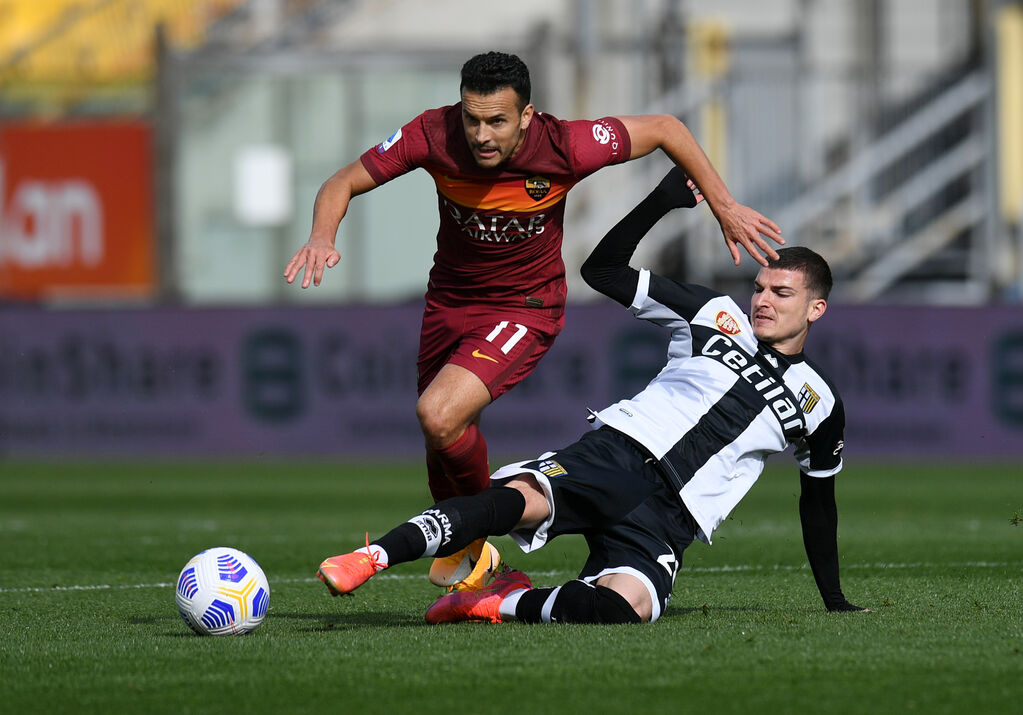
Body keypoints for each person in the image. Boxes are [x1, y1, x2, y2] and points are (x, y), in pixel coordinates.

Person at [285, 51, 783, 591]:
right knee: (443, 434)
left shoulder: (567, 145)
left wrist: (724, 205)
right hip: (449, 302)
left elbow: (665, 128)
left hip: (525, 306)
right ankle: (473, 550)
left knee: (437, 413)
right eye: (472, 118)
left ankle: (473, 539)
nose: (480, 134)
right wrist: (321, 235)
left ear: (526, 116)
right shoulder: (431, 133)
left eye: (497, 120)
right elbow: (342, 181)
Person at [314, 167, 867, 624]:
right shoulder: (713, 315)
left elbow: (818, 503)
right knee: (516, 502)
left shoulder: (820, 402)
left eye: (782, 293)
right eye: (760, 287)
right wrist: (659, 201)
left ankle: (494, 600)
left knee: (628, 610)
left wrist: (834, 599)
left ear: (815, 309)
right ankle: (372, 556)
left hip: (672, 515)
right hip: (620, 453)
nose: (763, 300)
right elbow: (601, 271)